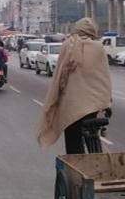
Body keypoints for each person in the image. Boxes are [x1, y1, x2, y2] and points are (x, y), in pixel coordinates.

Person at [36, 18, 112, 154]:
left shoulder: (68, 44)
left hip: (72, 105)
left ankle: (75, 167)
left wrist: (56, 98)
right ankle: (96, 163)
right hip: (93, 106)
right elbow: (104, 79)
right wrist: (108, 102)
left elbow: (59, 76)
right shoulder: (98, 47)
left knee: (72, 138)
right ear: (92, 31)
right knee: (93, 135)